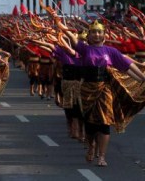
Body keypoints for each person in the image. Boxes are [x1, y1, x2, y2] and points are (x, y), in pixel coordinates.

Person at [57, 18, 145, 167]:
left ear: (104, 34)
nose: (96, 35)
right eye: (93, 32)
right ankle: (91, 145)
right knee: (90, 125)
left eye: (99, 32)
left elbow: (128, 66)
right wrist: (58, 22)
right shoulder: (84, 49)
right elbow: (71, 38)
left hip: (105, 89)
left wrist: (143, 78)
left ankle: (102, 156)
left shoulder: (111, 51)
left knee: (104, 123)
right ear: (89, 35)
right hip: (86, 91)